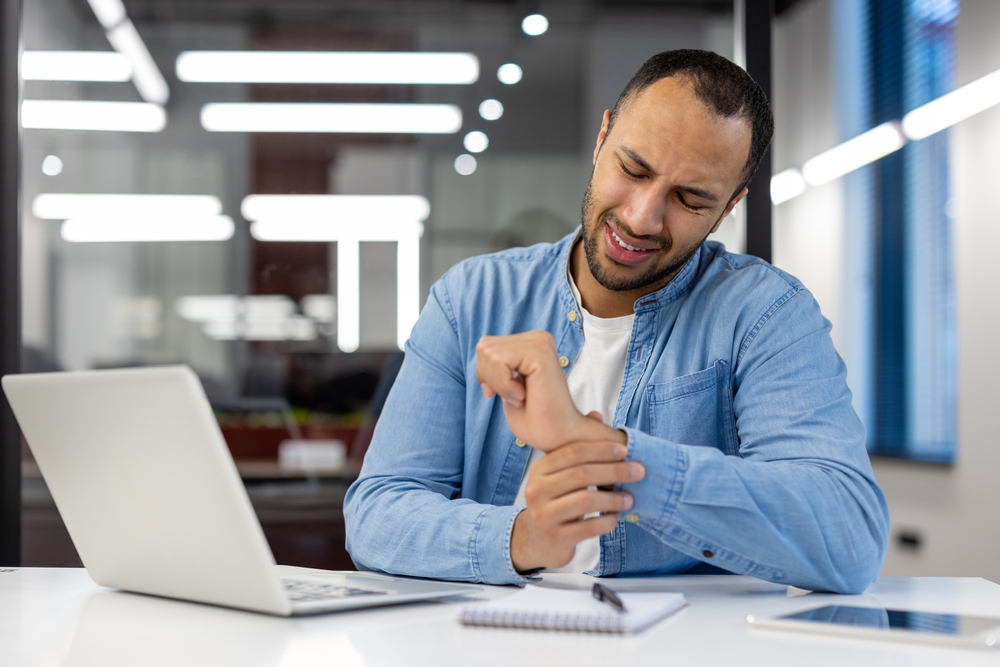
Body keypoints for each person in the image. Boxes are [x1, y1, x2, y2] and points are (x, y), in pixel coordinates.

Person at [343, 49, 889, 594]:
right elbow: (377, 514)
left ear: (728, 209)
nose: (641, 217)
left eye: (691, 200)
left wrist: (609, 456)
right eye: (633, 169)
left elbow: (849, 539)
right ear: (603, 136)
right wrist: (525, 538)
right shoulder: (473, 299)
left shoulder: (766, 314)